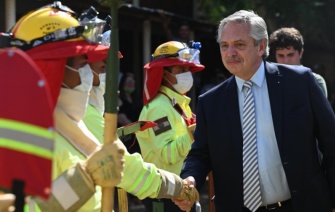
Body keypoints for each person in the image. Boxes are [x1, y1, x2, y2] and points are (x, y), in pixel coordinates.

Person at [1, 2, 199, 211]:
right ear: (51, 66)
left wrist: (177, 187)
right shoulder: (21, 128)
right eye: (80, 63)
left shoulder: (69, 120)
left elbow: (123, 168)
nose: (89, 71)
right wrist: (82, 180)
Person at [175, 10, 335, 212]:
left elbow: (333, 146)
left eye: (239, 44)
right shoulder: (211, 102)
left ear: (261, 46)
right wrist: (190, 178)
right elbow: (200, 154)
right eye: (224, 45)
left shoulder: (300, 83)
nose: (230, 52)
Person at [136, 41, 205, 211]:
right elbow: (168, 154)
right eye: (181, 70)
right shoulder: (159, 108)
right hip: (165, 198)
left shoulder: (177, 103)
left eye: (188, 70)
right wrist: (194, 133)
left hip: (181, 192)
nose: (187, 74)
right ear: (164, 74)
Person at [269, 27, 328, 98]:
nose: (285, 61)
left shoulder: (314, 81)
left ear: (300, 53)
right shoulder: (269, 82)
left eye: (290, 55)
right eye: (281, 55)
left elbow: (320, 108)